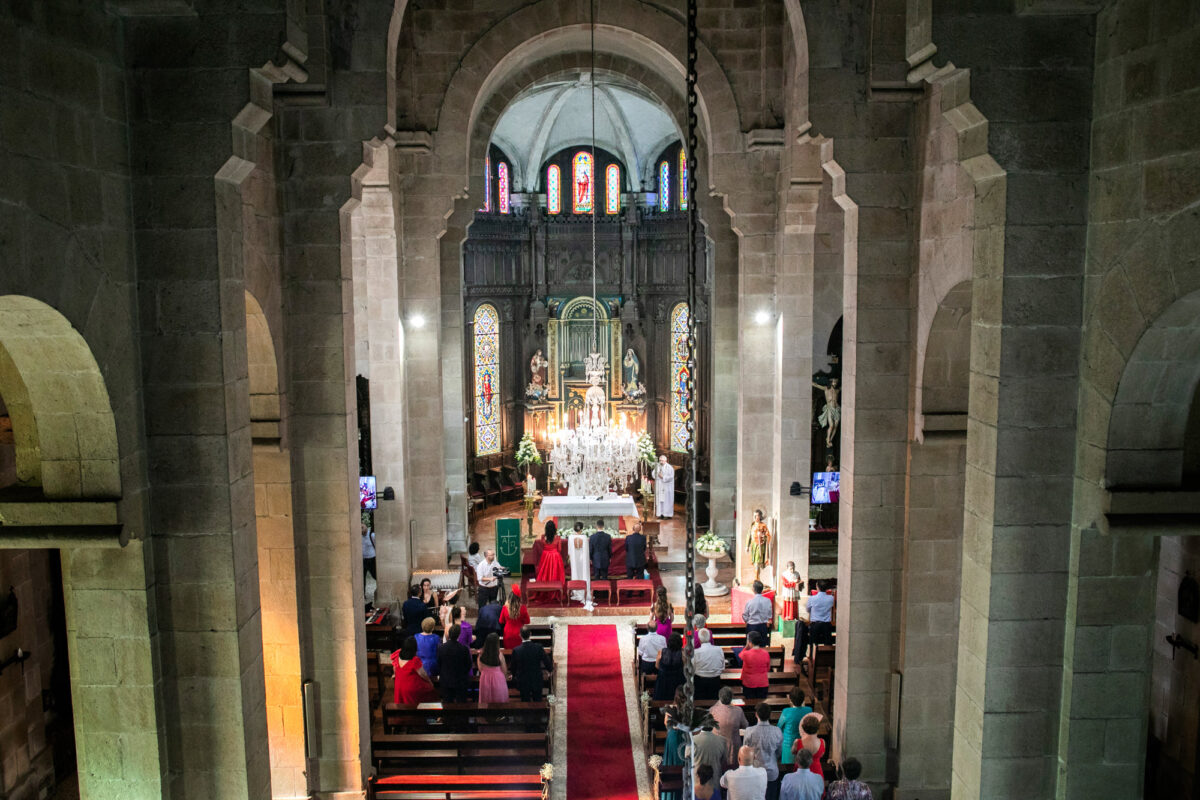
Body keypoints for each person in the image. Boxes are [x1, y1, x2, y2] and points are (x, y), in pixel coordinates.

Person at [742, 703, 783, 800]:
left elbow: (745, 752)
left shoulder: (749, 731)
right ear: (770, 715)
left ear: (756, 714)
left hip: (754, 771)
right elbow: (779, 752)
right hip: (772, 772)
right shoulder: (777, 731)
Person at [390, 635, 438, 705]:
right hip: (411, 687)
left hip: (399, 685)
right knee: (430, 690)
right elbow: (423, 674)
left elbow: (394, 668)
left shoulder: (398, 654)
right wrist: (429, 682)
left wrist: (395, 675)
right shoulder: (415, 660)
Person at [510, 625, 552, 702]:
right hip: (536, 679)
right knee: (538, 700)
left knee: (525, 701)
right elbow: (546, 661)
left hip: (523, 681)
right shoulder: (538, 647)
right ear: (530, 634)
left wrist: (513, 674)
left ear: (520, 635)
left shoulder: (516, 650)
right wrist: (550, 670)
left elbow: (513, 666)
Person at [710, 687, 749, 764]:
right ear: (731, 698)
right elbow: (745, 725)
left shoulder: (713, 710)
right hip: (733, 746)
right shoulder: (738, 711)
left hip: (717, 746)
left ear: (719, 698)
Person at [776, 688, 812, 769]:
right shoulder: (809, 710)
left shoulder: (786, 711)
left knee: (788, 768)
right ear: (803, 699)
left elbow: (779, 726)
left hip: (789, 744)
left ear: (790, 699)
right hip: (804, 743)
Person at [436, 623, 472, 703]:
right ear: (459, 635)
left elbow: (438, 664)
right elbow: (468, 665)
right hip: (460, 681)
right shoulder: (464, 649)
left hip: (446, 681)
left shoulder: (441, 648)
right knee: (461, 703)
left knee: (447, 703)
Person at [691, 715, 729, 780]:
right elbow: (724, 761)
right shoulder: (722, 741)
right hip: (716, 781)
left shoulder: (692, 740)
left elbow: (687, 760)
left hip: (697, 781)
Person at [693, 628, 726, 701]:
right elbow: (722, 666)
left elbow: (693, 668)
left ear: (699, 639)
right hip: (715, 680)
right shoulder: (719, 649)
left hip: (700, 681)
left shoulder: (696, 652)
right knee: (714, 700)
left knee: (700, 700)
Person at [476, 632, 509, 706]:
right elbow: (504, 670)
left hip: (485, 678)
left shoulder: (481, 654)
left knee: (485, 698)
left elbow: (480, 669)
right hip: (498, 678)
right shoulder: (499, 654)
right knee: (499, 699)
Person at [791, 714, 824, 780]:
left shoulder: (797, 742)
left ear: (803, 728)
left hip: (801, 770)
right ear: (818, 728)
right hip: (816, 770)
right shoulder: (822, 742)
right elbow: (821, 755)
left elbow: (793, 752)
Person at [654, 633, 685, 701]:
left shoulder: (662, 651)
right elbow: (684, 667)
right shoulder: (683, 653)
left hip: (663, 681)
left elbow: (657, 666)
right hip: (677, 680)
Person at [740, 631, 770, 700]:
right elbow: (768, 668)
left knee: (749, 702)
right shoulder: (766, 653)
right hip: (763, 683)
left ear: (749, 642)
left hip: (749, 684)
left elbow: (740, 655)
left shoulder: (746, 654)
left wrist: (746, 647)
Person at [746, 509, 771, 582]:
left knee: (757, 563)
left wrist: (762, 535)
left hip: (760, 546)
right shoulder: (752, 525)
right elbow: (749, 535)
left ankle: (756, 578)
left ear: (760, 516)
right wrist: (747, 546)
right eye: (754, 516)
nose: (755, 517)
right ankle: (757, 578)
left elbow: (768, 536)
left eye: (757, 515)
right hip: (753, 546)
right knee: (755, 563)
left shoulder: (763, 526)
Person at [568, 521, 590, 600]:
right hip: (583, 560)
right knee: (583, 572)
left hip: (574, 560)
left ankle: (576, 590)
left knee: (575, 572)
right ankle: (585, 590)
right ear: (581, 529)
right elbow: (587, 551)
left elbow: (569, 551)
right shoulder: (584, 537)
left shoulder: (570, 537)